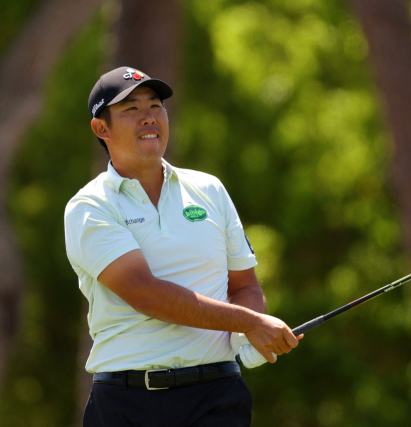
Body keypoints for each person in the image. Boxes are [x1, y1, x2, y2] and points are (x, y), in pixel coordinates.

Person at [64, 66, 300, 427]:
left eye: (156, 106)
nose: (149, 118)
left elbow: (245, 285)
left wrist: (249, 336)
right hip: (126, 404)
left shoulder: (209, 190)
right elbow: (146, 294)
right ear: (102, 128)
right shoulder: (90, 206)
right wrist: (250, 321)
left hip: (215, 398)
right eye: (131, 110)